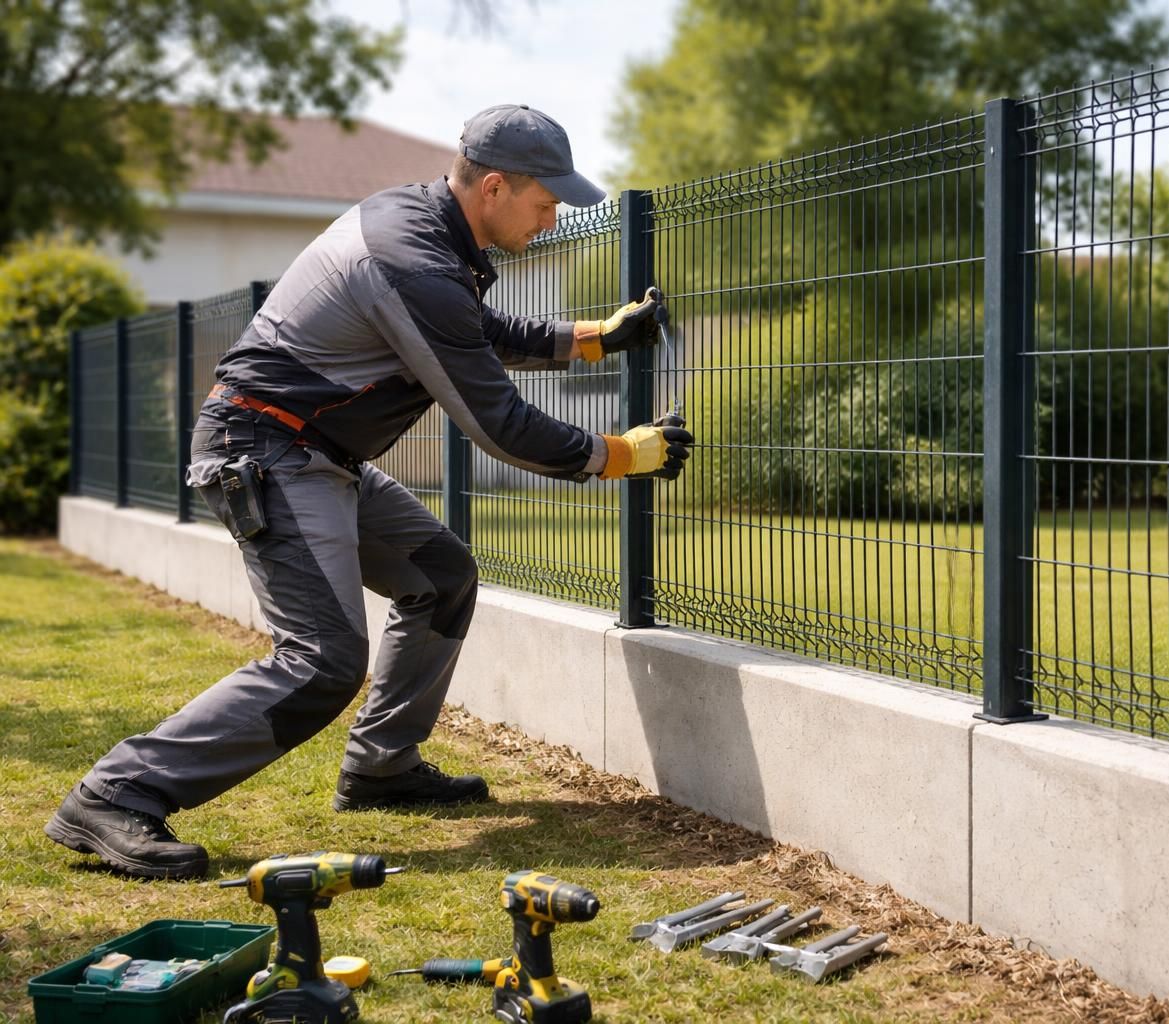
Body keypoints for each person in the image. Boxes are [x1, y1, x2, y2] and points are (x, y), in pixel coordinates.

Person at [44, 104, 693, 880]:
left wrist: (595, 335)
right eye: (546, 203)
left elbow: (476, 331)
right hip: (265, 449)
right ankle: (116, 794)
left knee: (441, 578)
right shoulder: (411, 259)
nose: (552, 220)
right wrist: (623, 453)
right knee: (322, 658)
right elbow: (497, 423)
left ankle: (382, 765)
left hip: (319, 454)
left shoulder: (426, 230)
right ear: (493, 187)